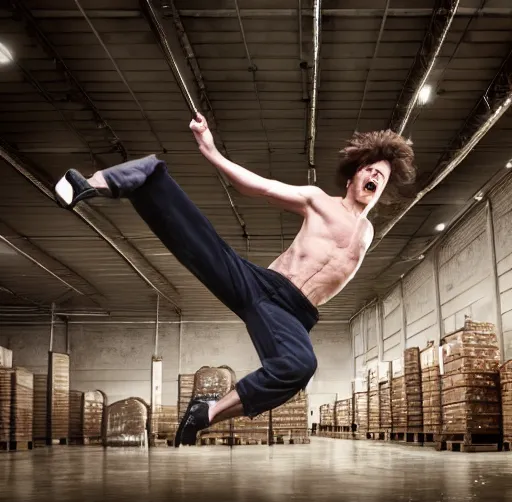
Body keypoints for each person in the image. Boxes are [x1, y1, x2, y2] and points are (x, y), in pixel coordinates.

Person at [54, 113, 415, 447]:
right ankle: (128, 180)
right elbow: (260, 187)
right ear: (353, 176)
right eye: (369, 170)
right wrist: (211, 151)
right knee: (203, 247)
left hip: (297, 315)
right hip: (265, 287)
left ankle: (205, 412)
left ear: (382, 190)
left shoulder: (366, 233)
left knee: (299, 367)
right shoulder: (318, 200)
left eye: (380, 177)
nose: (373, 178)